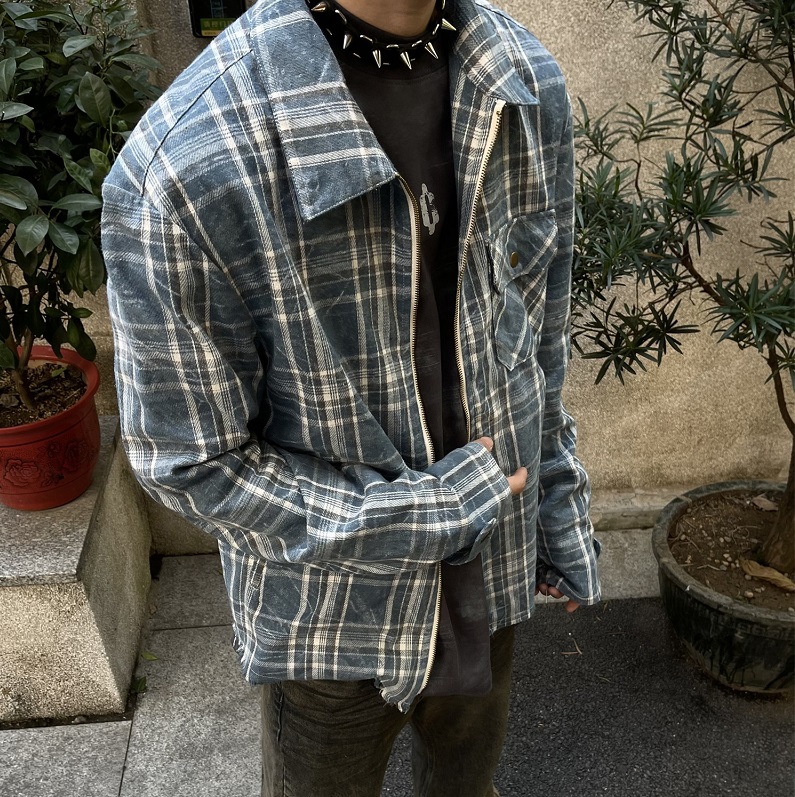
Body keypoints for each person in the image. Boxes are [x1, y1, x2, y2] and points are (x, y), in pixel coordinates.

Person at [101, 0, 601, 794]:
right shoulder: (189, 164)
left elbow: (535, 328)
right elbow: (190, 463)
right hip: (333, 619)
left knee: (467, 783)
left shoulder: (518, 78)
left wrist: (555, 505)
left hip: (495, 567)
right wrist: (435, 512)